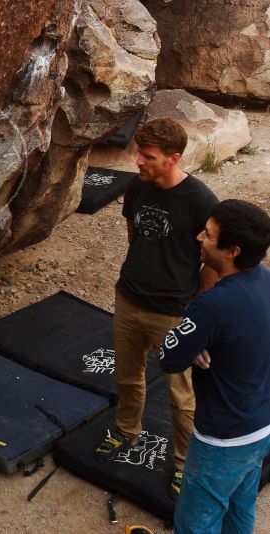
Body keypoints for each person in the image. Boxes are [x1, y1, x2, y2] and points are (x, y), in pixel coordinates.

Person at [94, 118, 219, 497]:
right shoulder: (137, 187)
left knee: (181, 395)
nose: (138, 162)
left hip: (171, 311)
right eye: (138, 153)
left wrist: (194, 302)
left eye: (147, 156)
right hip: (129, 297)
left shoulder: (201, 201)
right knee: (128, 376)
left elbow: (211, 263)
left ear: (173, 158)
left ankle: (183, 463)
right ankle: (126, 430)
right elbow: (134, 237)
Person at [158, 199, 270, 534]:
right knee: (239, 507)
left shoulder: (211, 306)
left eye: (208, 234)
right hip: (261, 426)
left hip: (223, 438)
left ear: (232, 250)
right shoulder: (265, 280)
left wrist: (194, 346)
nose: (198, 238)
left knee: (195, 522)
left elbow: (168, 356)